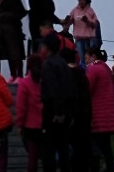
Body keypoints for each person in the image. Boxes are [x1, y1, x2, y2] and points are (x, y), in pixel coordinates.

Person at [39, 32, 74, 172]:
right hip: (65, 111)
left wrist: (57, 112)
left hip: (52, 112)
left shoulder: (48, 65)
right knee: (63, 148)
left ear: (47, 47)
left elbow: (53, 89)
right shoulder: (63, 64)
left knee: (48, 152)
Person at [85, 45, 114, 172]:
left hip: (98, 115)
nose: (85, 59)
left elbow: (87, 89)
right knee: (107, 149)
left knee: (95, 149)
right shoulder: (106, 69)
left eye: (86, 56)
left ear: (93, 56)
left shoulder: (93, 70)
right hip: (108, 114)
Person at [60, 46, 91, 172]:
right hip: (84, 115)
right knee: (82, 149)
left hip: (71, 116)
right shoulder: (82, 74)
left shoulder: (65, 75)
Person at [16, 53, 44, 172]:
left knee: (32, 158)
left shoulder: (25, 83)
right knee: (47, 157)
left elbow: (21, 107)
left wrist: (20, 125)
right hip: (45, 124)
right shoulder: (46, 81)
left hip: (30, 126)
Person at [0, 0, 28, 82]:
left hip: (13, 30)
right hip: (5, 30)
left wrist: (3, 16)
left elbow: (20, 13)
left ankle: (19, 75)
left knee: (16, 53)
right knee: (9, 53)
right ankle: (13, 74)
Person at [64, 0, 99, 67]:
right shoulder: (74, 10)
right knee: (81, 58)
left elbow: (95, 23)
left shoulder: (90, 10)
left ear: (86, 0)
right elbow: (70, 20)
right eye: (79, 0)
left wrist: (87, 21)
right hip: (79, 38)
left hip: (89, 38)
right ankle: (84, 72)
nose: (80, 1)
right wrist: (67, 21)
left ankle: (90, 71)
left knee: (89, 58)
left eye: (82, 0)